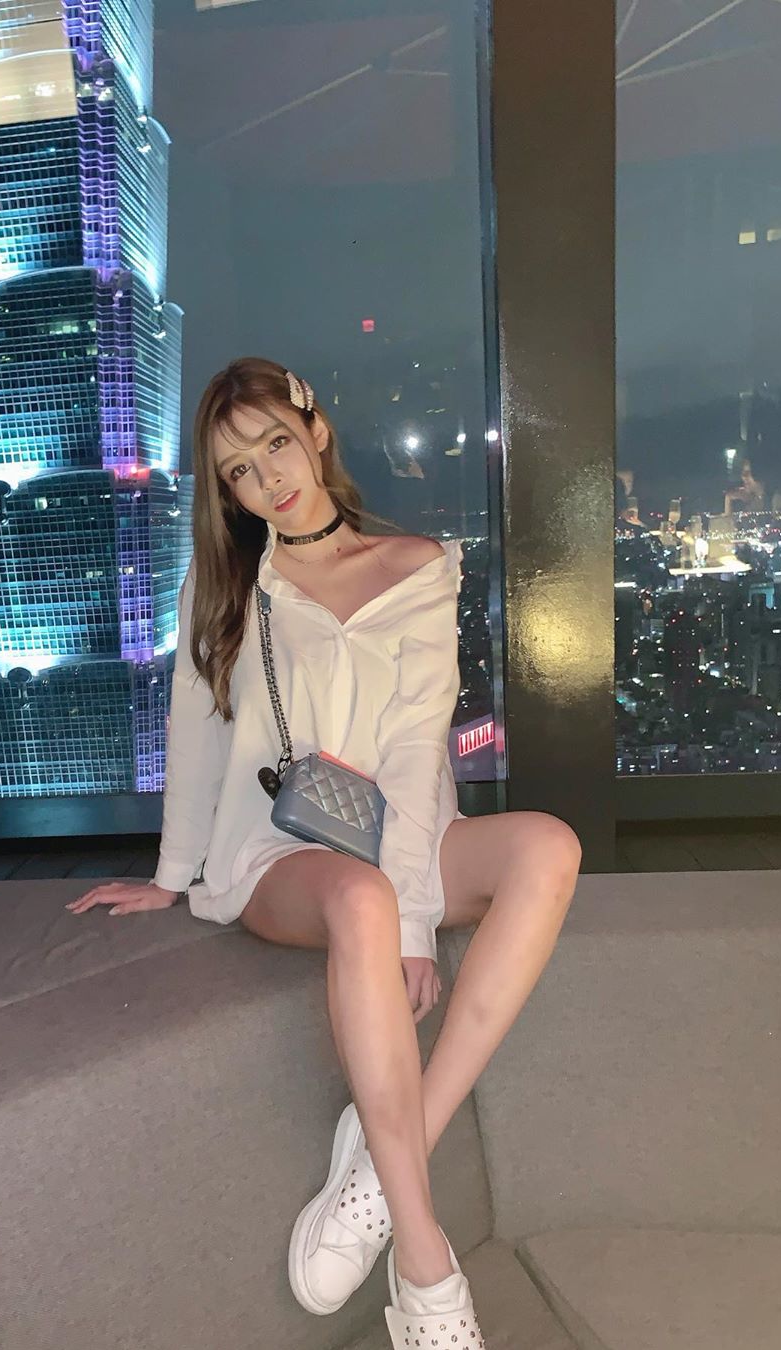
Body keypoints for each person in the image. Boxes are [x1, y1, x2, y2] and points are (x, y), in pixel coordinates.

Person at [66, 356, 581, 1344]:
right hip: (283, 850)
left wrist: (418, 923)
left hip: (405, 835)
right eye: (238, 471)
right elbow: (194, 732)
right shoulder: (231, 583)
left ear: (315, 430)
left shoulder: (419, 567)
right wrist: (172, 878)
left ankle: (388, 1156)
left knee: (547, 849)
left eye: (275, 445)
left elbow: (415, 750)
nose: (268, 479)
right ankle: (425, 1267)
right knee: (361, 900)